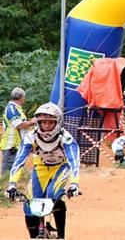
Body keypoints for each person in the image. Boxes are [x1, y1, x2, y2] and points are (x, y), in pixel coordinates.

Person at [4, 102, 81, 239]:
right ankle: (34, 236)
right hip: (40, 168)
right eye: (43, 122)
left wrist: (74, 184)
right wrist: (12, 184)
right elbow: (19, 161)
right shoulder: (30, 137)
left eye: (50, 122)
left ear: (57, 123)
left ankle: (61, 236)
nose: (46, 126)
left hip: (60, 167)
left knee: (54, 195)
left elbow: (73, 161)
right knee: (29, 205)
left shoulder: (66, 138)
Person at [1, 87, 37, 176]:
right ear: (21, 97)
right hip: (11, 146)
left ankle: (13, 189)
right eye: (24, 98)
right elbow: (19, 125)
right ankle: (5, 189)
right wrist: (32, 122)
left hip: (17, 145)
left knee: (17, 172)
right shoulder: (11, 108)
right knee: (8, 174)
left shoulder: (16, 108)